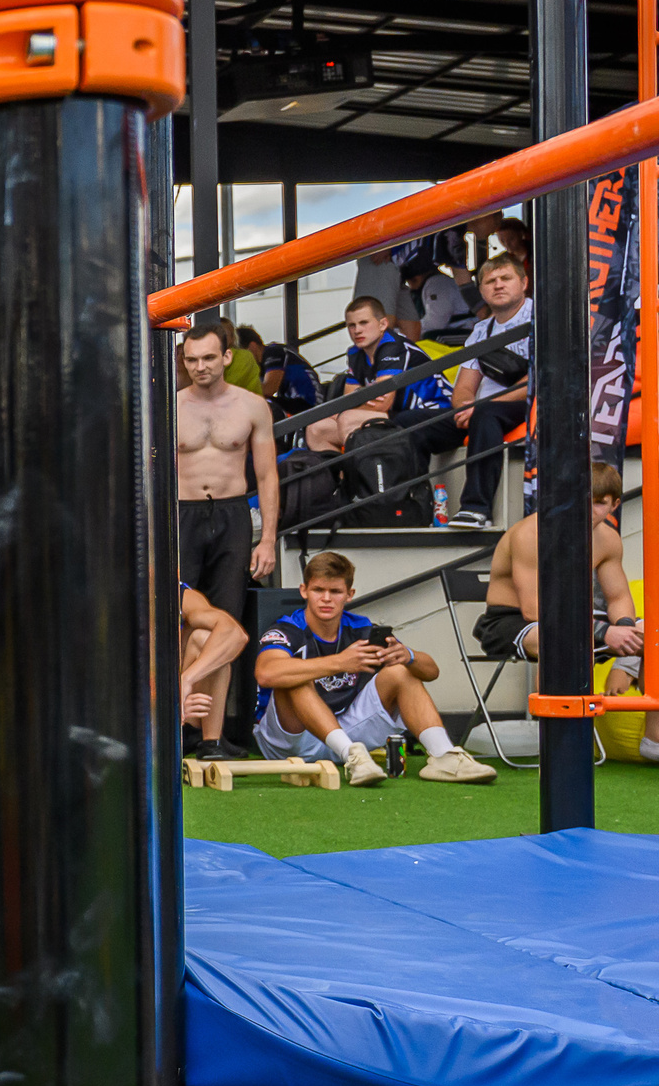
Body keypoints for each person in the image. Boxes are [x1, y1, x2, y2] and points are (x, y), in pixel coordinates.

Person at [252, 551, 495, 785]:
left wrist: (407, 655)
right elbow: (266, 674)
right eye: (318, 590)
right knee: (294, 676)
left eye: (335, 591)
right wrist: (340, 662)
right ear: (304, 591)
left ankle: (444, 756)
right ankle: (352, 757)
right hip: (291, 740)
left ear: (349, 594)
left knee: (400, 670)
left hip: (348, 733)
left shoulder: (362, 628)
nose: (326, 598)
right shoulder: (288, 628)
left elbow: (432, 672)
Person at [472, 463, 644, 682]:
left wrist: (625, 628)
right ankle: (552, 717)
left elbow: (618, 598)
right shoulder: (531, 534)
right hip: (511, 620)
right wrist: (603, 632)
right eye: (584, 500)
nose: (589, 510)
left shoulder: (608, 539)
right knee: (561, 642)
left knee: (653, 640)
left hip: (576, 618)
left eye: (600, 503)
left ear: (614, 505)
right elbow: (534, 610)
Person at [174, 325, 277, 660]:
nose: (200, 366)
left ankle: (214, 714)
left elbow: (266, 475)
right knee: (178, 618)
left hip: (232, 516)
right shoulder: (169, 407)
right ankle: (180, 711)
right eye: (192, 360)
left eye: (208, 358)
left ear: (227, 357)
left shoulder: (252, 406)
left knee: (227, 622)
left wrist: (268, 540)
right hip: (181, 515)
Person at [302, 296, 455, 456]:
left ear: (382, 324)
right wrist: (343, 411)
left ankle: (363, 477)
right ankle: (340, 477)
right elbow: (348, 399)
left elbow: (382, 402)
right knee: (317, 429)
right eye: (351, 325)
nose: (357, 330)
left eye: (364, 323)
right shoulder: (355, 353)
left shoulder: (393, 346)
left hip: (432, 415)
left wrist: (344, 412)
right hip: (399, 416)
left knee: (348, 419)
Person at [445, 253, 533, 528]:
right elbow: (462, 388)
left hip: (527, 403)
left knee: (486, 413)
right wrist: (465, 405)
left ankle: (475, 509)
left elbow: (538, 380)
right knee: (415, 424)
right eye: (490, 281)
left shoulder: (542, 318)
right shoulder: (482, 329)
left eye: (505, 278)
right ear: (481, 291)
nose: (498, 285)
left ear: (524, 282)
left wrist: (480, 405)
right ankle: (400, 507)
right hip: (483, 410)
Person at [178, 583, 249, 760]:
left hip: (184, 712)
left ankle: (210, 743)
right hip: (141, 714)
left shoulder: (179, 594)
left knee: (207, 639)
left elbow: (235, 634)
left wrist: (186, 680)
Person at [249, 326, 320, 419]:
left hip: (309, 403)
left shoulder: (273, 352)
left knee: (261, 403)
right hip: (293, 402)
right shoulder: (259, 365)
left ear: (252, 346)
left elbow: (269, 389)